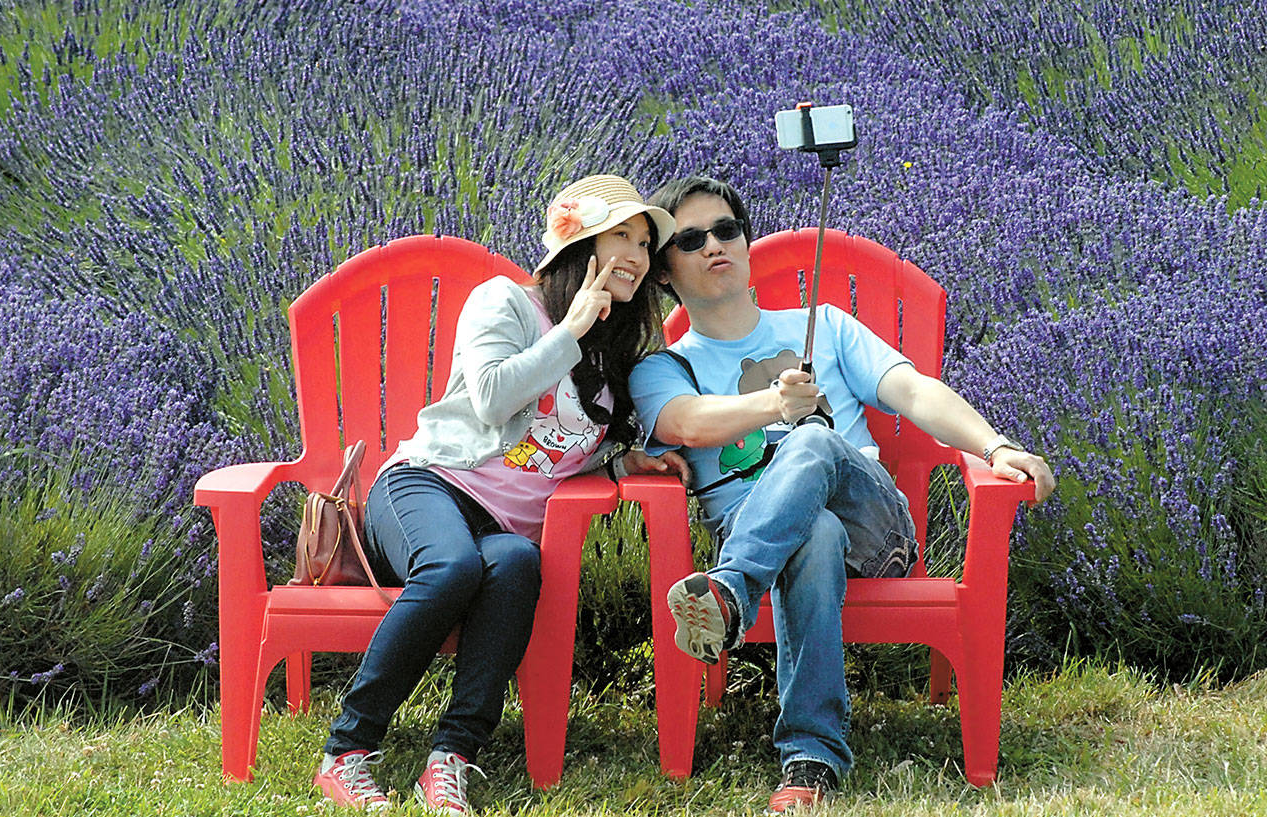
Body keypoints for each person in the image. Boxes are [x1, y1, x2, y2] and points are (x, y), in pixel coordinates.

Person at [628, 176, 1055, 812]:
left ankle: (730, 592)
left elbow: (913, 390)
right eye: (690, 240)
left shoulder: (823, 326)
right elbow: (685, 424)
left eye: (726, 230)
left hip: (873, 531)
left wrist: (994, 446)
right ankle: (811, 760)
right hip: (779, 540)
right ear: (664, 272)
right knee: (813, 531)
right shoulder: (663, 368)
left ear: (745, 243)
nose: (714, 245)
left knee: (815, 442)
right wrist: (774, 403)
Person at [313, 174, 688, 814]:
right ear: (580, 245)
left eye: (645, 243)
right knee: (452, 565)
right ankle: (346, 751)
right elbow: (490, 400)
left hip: (502, 529)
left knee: (516, 563)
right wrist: (569, 330)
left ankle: (450, 758)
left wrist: (625, 461)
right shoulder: (506, 303)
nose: (636, 253)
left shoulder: (612, 353)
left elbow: (562, 448)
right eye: (621, 235)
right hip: (426, 485)